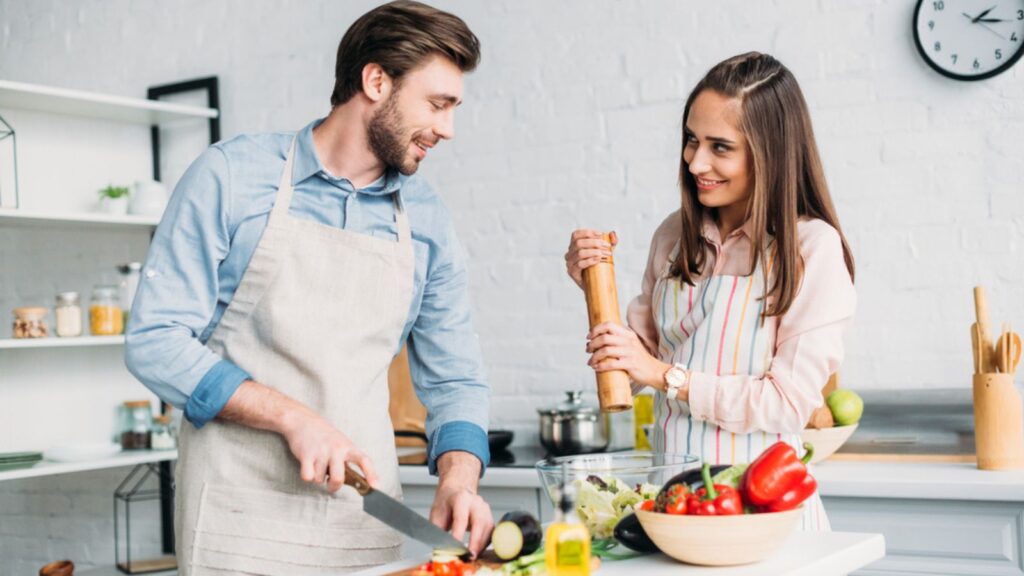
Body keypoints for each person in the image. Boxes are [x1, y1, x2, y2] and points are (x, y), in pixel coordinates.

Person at [125, 2, 493, 572]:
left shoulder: (427, 220)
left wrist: (459, 479)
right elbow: (155, 340)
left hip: (365, 522)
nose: (447, 128)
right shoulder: (231, 178)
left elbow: (456, 378)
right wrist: (293, 417)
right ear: (376, 81)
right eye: (437, 104)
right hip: (236, 522)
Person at [564, 52, 855, 530]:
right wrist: (592, 289)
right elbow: (633, 372)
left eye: (721, 147)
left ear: (771, 154)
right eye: (691, 140)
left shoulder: (812, 249)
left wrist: (668, 377)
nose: (696, 161)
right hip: (673, 511)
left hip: (765, 517)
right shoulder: (673, 237)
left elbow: (787, 403)